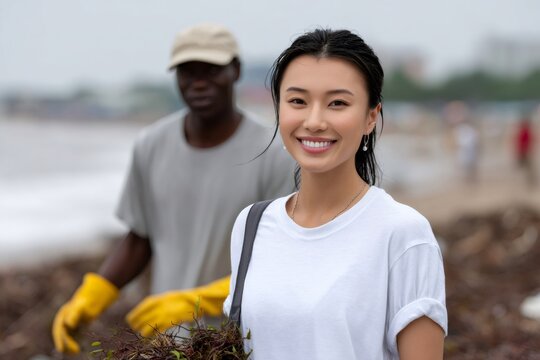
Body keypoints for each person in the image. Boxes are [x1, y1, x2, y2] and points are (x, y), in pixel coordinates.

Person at [52, 23, 294, 354]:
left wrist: (199, 300)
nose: (199, 82)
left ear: (235, 70)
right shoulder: (151, 146)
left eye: (211, 70)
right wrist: (94, 294)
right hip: (165, 343)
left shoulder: (273, 152)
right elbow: (141, 237)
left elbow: (283, 259)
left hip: (241, 342)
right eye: (187, 71)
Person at [223, 29, 447, 359]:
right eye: (297, 101)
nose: (314, 121)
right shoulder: (251, 224)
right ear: (278, 109)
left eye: (337, 103)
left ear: (371, 116)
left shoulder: (403, 234)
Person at [515, 115, 536, 186]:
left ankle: (530, 180)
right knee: (525, 167)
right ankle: (529, 180)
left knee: (527, 167)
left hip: (525, 151)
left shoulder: (526, 132)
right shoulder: (524, 131)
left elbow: (528, 141)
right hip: (523, 151)